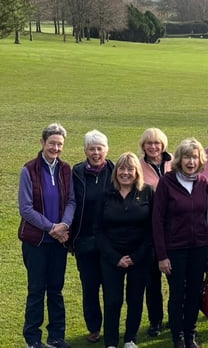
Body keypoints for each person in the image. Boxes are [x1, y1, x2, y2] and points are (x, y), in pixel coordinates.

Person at [18, 123, 75, 348]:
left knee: (55, 290)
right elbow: (26, 208)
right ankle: (33, 339)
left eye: (60, 144)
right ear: (42, 143)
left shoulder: (65, 169)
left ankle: (56, 337)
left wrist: (65, 224)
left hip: (58, 242)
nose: (56, 148)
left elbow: (71, 200)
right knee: (36, 290)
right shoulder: (28, 170)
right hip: (37, 242)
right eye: (52, 143)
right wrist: (52, 228)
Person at [152, 137, 208, 348]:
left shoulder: (203, 183)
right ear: (179, 159)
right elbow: (157, 220)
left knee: (194, 292)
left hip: (198, 248)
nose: (191, 161)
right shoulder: (167, 182)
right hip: (174, 249)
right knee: (177, 294)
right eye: (187, 157)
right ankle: (178, 336)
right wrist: (162, 256)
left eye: (194, 157)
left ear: (200, 159)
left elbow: (207, 217)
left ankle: (190, 333)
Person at [96, 152, 154, 348]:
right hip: (111, 257)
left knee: (135, 299)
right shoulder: (106, 194)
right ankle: (111, 342)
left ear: (136, 171)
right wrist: (115, 257)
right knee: (112, 300)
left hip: (139, 256)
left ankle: (130, 339)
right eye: (122, 168)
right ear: (116, 171)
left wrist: (136, 257)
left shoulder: (147, 192)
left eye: (130, 169)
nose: (126, 173)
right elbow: (98, 230)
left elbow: (151, 230)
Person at [70, 129, 114, 343]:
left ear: (106, 150)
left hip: (110, 242)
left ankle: (112, 327)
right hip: (85, 240)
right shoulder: (77, 172)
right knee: (90, 287)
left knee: (110, 286)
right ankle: (94, 327)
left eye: (100, 148)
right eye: (91, 149)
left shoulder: (115, 170)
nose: (96, 153)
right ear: (85, 150)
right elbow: (70, 203)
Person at [138, 127, 172, 337]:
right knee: (152, 281)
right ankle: (155, 320)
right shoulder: (139, 166)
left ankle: (175, 317)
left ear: (163, 145)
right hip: (148, 230)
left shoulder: (173, 162)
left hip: (173, 229)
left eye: (156, 143)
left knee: (175, 279)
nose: (153, 147)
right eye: (148, 143)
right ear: (143, 146)